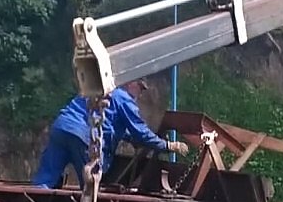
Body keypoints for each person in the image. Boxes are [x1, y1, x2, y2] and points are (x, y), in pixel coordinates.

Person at [32, 79, 189, 188]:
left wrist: (130, 138)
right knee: (91, 188)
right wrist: (167, 145)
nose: (140, 94)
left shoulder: (98, 89)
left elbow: (108, 124)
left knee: (45, 179)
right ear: (131, 83)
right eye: (140, 88)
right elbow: (140, 132)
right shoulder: (124, 99)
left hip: (61, 127)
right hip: (83, 136)